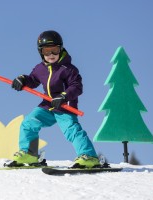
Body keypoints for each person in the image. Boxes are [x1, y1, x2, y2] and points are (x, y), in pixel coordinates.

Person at [11, 30, 99, 168]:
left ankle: (89, 156)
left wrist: (63, 96)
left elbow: (77, 86)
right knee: (29, 122)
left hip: (65, 106)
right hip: (48, 105)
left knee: (71, 130)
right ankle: (30, 153)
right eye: (47, 51)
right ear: (41, 52)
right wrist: (22, 79)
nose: (51, 55)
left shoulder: (68, 69)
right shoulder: (40, 68)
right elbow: (32, 80)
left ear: (61, 48)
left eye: (55, 50)